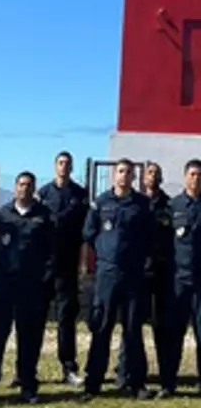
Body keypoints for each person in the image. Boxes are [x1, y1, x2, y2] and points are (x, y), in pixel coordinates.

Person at [0, 171, 54, 405]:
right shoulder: (2, 215)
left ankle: (28, 386)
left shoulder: (45, 216)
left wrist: (43, 277)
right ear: (15, 187)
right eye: (21, 184)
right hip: (4, 285)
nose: (24, 189)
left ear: (34, 188)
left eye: (29, 185)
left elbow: (52, 249)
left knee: (29, 338)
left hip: (31, 287)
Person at [82, 158, 157, 400]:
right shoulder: (101, 203)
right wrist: (102, 256)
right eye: (121, 171)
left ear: (134, 177)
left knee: (133, 330)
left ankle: (136, 382)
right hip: (106, 275)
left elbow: (151, 238)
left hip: (133, 276)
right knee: (101, 328)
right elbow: (89, 234)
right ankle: (93, 383)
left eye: (129, 172)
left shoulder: (142, 205)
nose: (124, 176)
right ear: (114, 174)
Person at [115, 163, 173, 394]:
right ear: (142, 178)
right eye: (149, 173)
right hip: (136, 273)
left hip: (160, 274)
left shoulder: (169, 206)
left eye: (157, 173)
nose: (153, 176)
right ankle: (125, 372)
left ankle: (166, 376)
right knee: (131, 325)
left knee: (161, 327)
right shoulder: (135, 203)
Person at [38, 150, 89, 386]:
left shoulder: (80, 195)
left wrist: (84, 262)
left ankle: (69, 368)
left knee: (66, 317)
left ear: (72, 167)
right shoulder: (43, 194)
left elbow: (86, 231)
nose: (64, 167)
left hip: (67, 266)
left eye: (67, 163)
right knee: (35, 317)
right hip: (43, 266)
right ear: (54, 166)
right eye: (60, 163)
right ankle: (25, 370)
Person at [161, 158, 201, 397]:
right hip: (178, 281)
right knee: (173, 335)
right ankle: (168, 384)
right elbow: (164, 244)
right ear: (185, 177)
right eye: (192, 175)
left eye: (199, 175)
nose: (196, 179)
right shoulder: (173, 206)